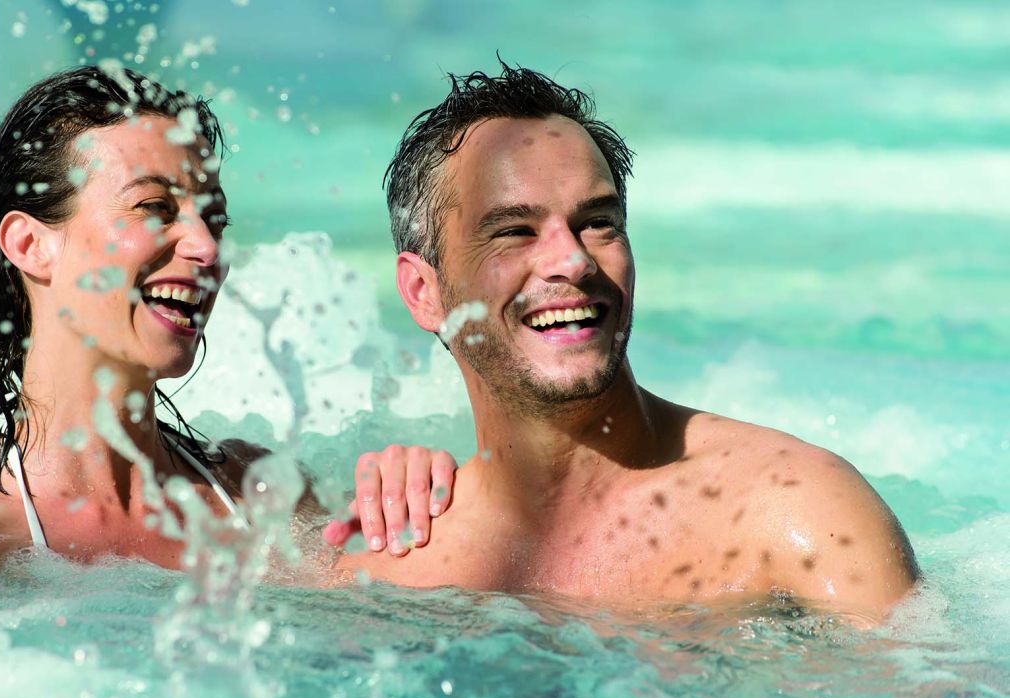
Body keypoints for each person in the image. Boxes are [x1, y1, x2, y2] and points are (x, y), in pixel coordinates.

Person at [0, 66, 455, 623]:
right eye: (154, 208)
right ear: (31, 244)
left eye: (214, 219)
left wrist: (415, 486)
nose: (206, 247)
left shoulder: (257, 492)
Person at [338, 63, 919, 624]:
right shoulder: (385, 567)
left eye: (598, 223)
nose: (573, 260)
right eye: (515, 231)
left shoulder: (796, 513)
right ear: (423, 293)